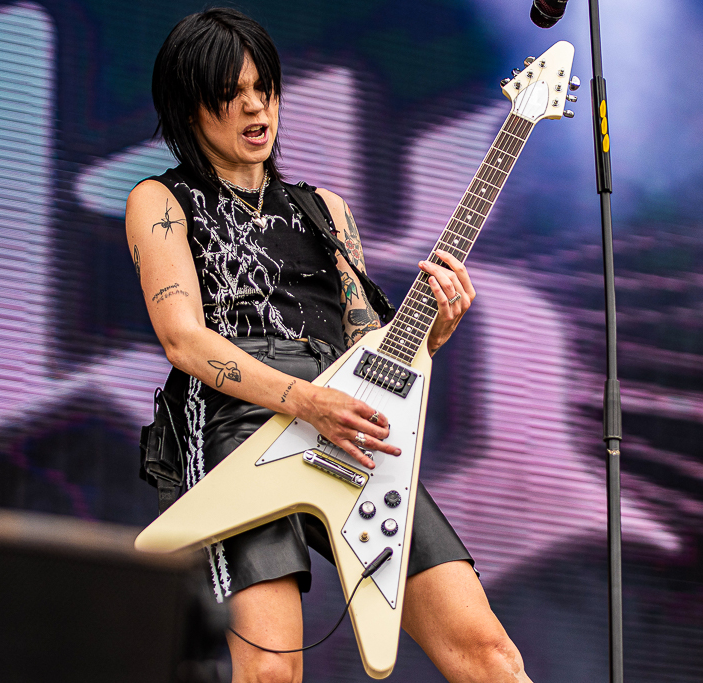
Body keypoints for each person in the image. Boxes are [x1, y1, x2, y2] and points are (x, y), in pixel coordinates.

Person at [127, 8, 533, 683]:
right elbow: (184, 339)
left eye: (265, 87)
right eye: (230, 93)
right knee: (272, 672)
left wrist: (431, 334)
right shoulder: (160, 200)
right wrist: (305, 400)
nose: (255, 106)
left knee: (491, 656)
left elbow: (370, 346)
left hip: (347, 423)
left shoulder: (327, 210)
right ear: (188, 107)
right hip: (239, 426)